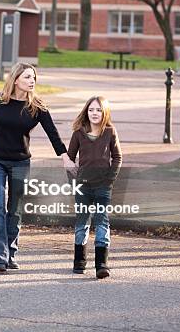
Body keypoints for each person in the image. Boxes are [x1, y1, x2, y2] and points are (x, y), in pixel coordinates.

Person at [0, 63, 74, 272]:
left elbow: (53, 133)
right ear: (15, 80)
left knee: (15, 209)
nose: (32, 81)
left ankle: (11, 253)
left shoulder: (37, 107)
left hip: (20, 162)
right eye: (27, 77)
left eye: (33, 78)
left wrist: (65, 157)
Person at [67, 96, 122, 279]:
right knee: (82, 223)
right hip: (83, 186)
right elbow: (69, 159)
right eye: (91, 110)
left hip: (103, 186)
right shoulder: (79, 133)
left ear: (104, 112)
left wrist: (110, 179)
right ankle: (79, 262)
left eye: (98, 110)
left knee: (102, 222)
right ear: (86, 112)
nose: (94, 113)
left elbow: (117, 157)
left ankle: (101, 264)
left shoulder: (110, 132)